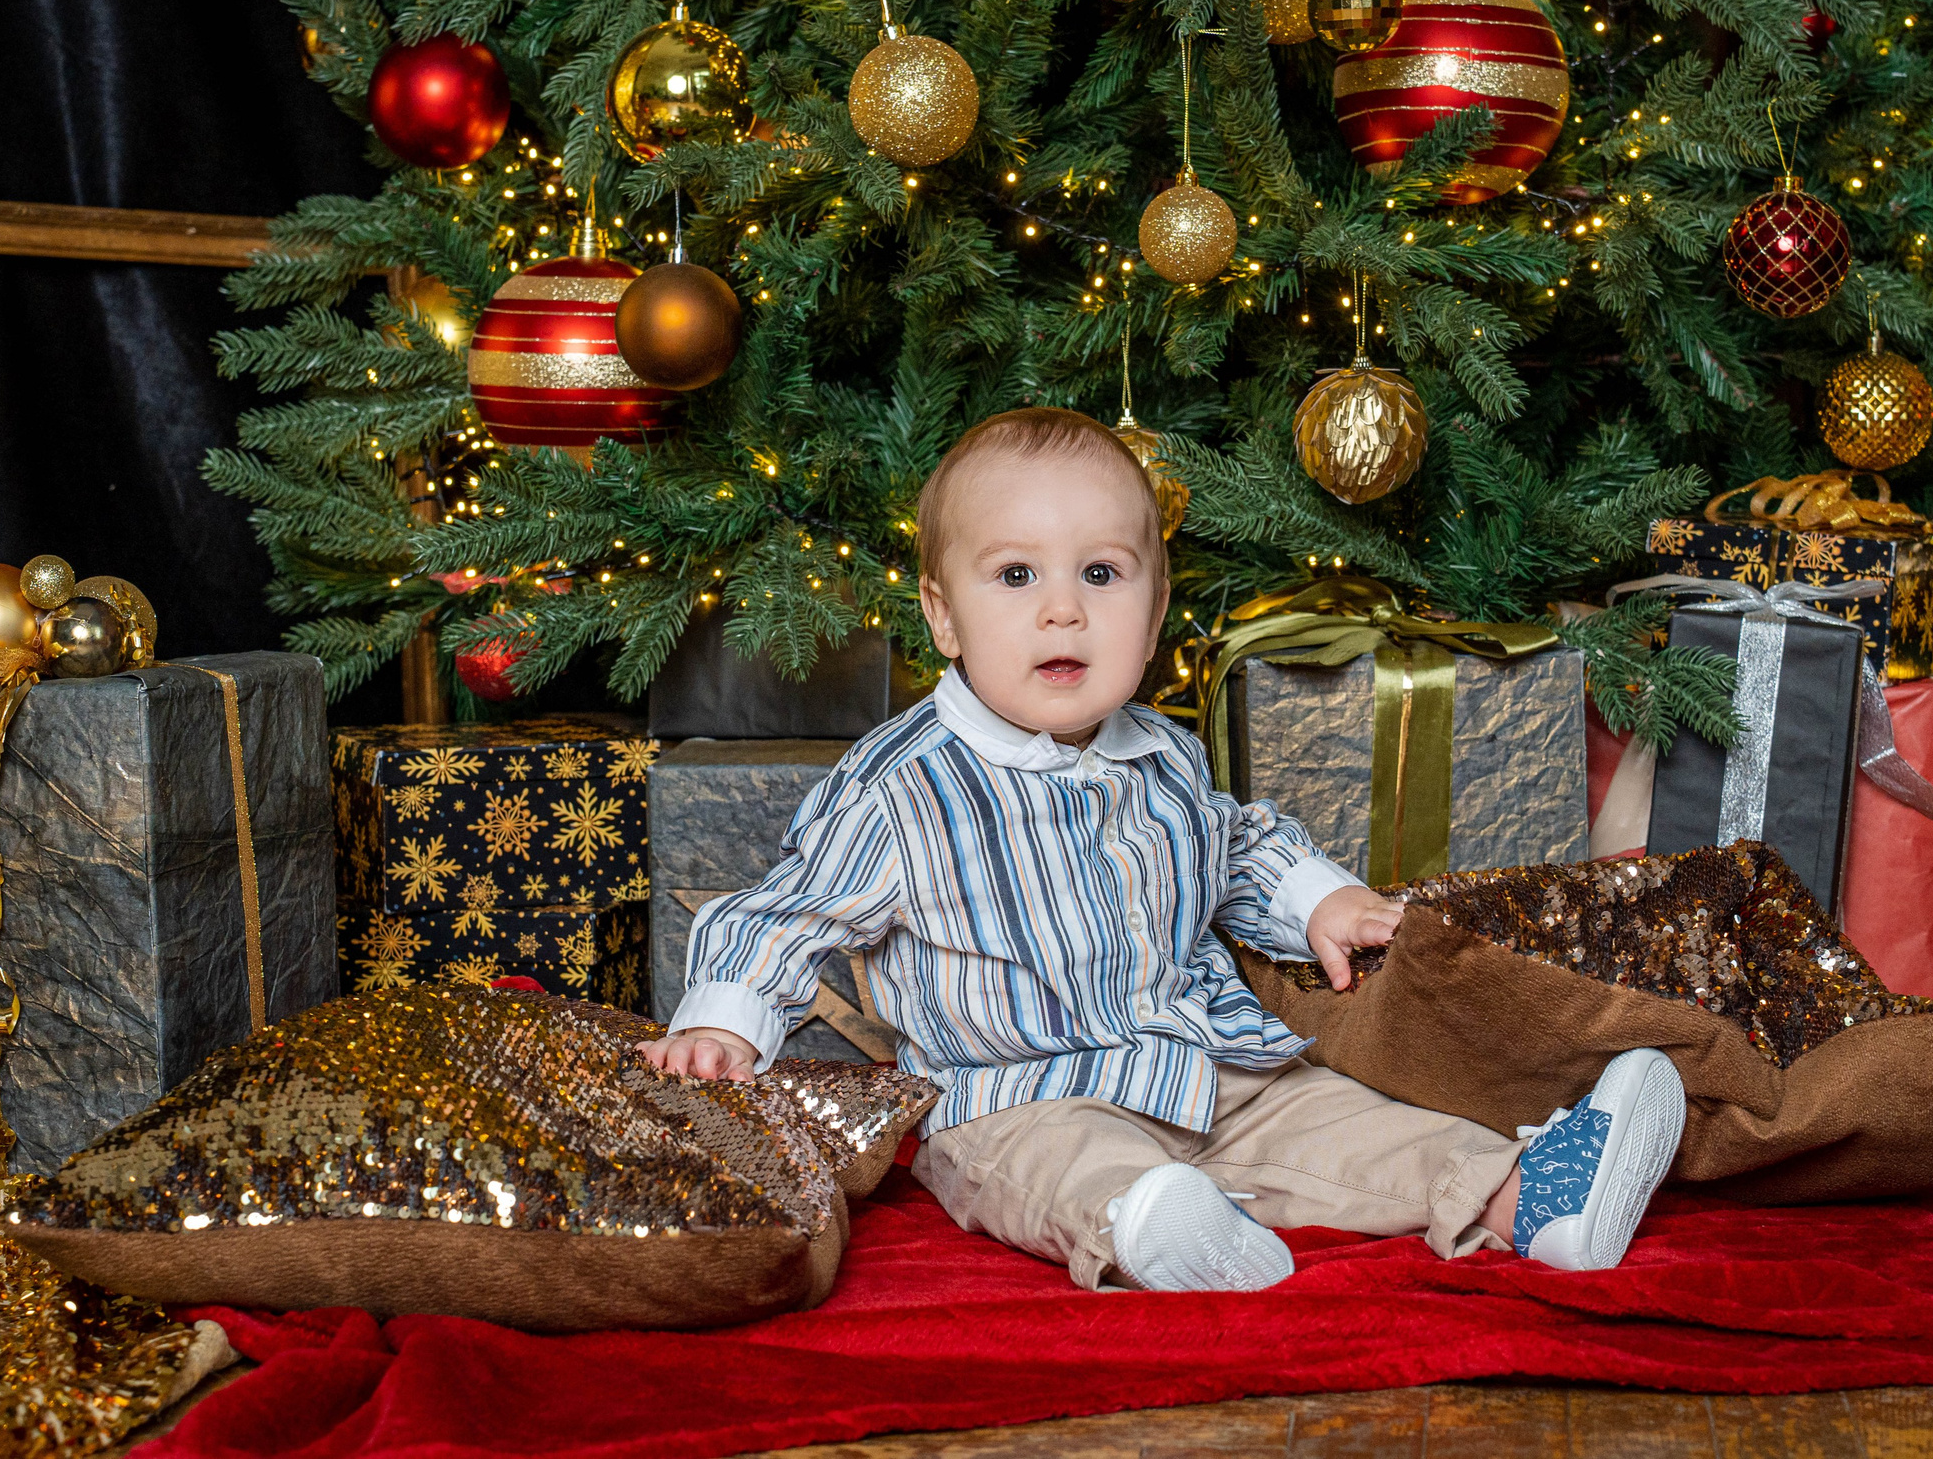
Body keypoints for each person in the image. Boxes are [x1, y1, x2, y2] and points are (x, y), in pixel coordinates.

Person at [642, 408, 1685, 1292]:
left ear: (1150, 622)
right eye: (1014, 575)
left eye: (1101, 573)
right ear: (943, 616)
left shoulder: (1163, 752)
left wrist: (1318, 900)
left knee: (1334, 1117)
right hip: (1017, 1093)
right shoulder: (902, 782)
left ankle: (1524, 1195)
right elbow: (786, 911)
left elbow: (1229, 847)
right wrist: (725, 1027)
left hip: (1202, 1067)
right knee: (1049, 1168)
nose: (1063, 608)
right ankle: (1150, 1228)